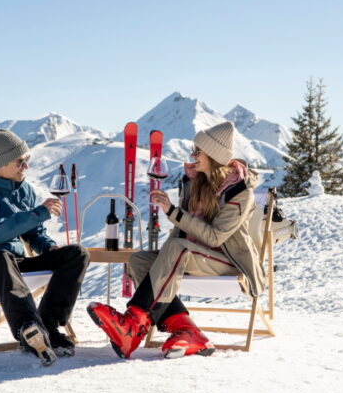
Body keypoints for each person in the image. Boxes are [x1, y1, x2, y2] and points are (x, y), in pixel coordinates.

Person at [87, 121, 265, 359]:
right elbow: (182, 233)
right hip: (194, 254)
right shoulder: (195, 183)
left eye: (198, 152)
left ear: (213, 155)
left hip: (229, 262)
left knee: (178, 248)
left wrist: (173, 212)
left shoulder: (240, 192)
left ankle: (132, 324)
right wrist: (164, 256)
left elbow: (215, 236)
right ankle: (187, 331)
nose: (193, 156)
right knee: (139, 260)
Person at [0, 129, 90, 366]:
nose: (25, 166)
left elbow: (33, 231)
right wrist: (38, 213)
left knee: (76, 254)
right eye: (20, 161)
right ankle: (28, 328)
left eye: (26, 160)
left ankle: (47, 325)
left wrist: (48, 248)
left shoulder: (23, 190)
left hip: (13, 264)